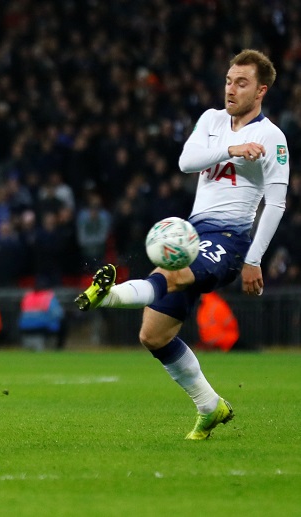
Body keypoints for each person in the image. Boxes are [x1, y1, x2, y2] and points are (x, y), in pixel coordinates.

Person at [74, 49, 289, 440]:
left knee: (172, 276)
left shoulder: (272, 137)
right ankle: (210, 407)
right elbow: (186, 161)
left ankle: (105, 297)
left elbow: (275, 202)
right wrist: (231, 149)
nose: (231, 89)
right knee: (153, 336)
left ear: (261, 91)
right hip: (194, 229)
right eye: (228, 80)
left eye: (241, 83)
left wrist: (254, 259)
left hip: (230, 237)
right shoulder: (211, 120)